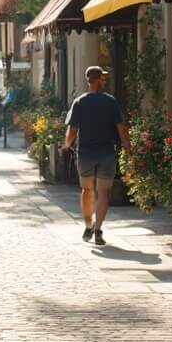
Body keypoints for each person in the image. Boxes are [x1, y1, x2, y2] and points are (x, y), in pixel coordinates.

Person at [63, 65, 130, 247]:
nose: (105, 81)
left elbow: (72, 130)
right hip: (106, 154)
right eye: (103, 78)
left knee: (87, 190)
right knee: (104, 192)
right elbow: (121, 128)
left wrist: (67, 145)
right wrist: (128, 148)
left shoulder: (80, 102)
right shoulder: (111, 102)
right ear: (98, 80)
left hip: (85, 154)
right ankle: (98, 229)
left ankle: (87, 225)